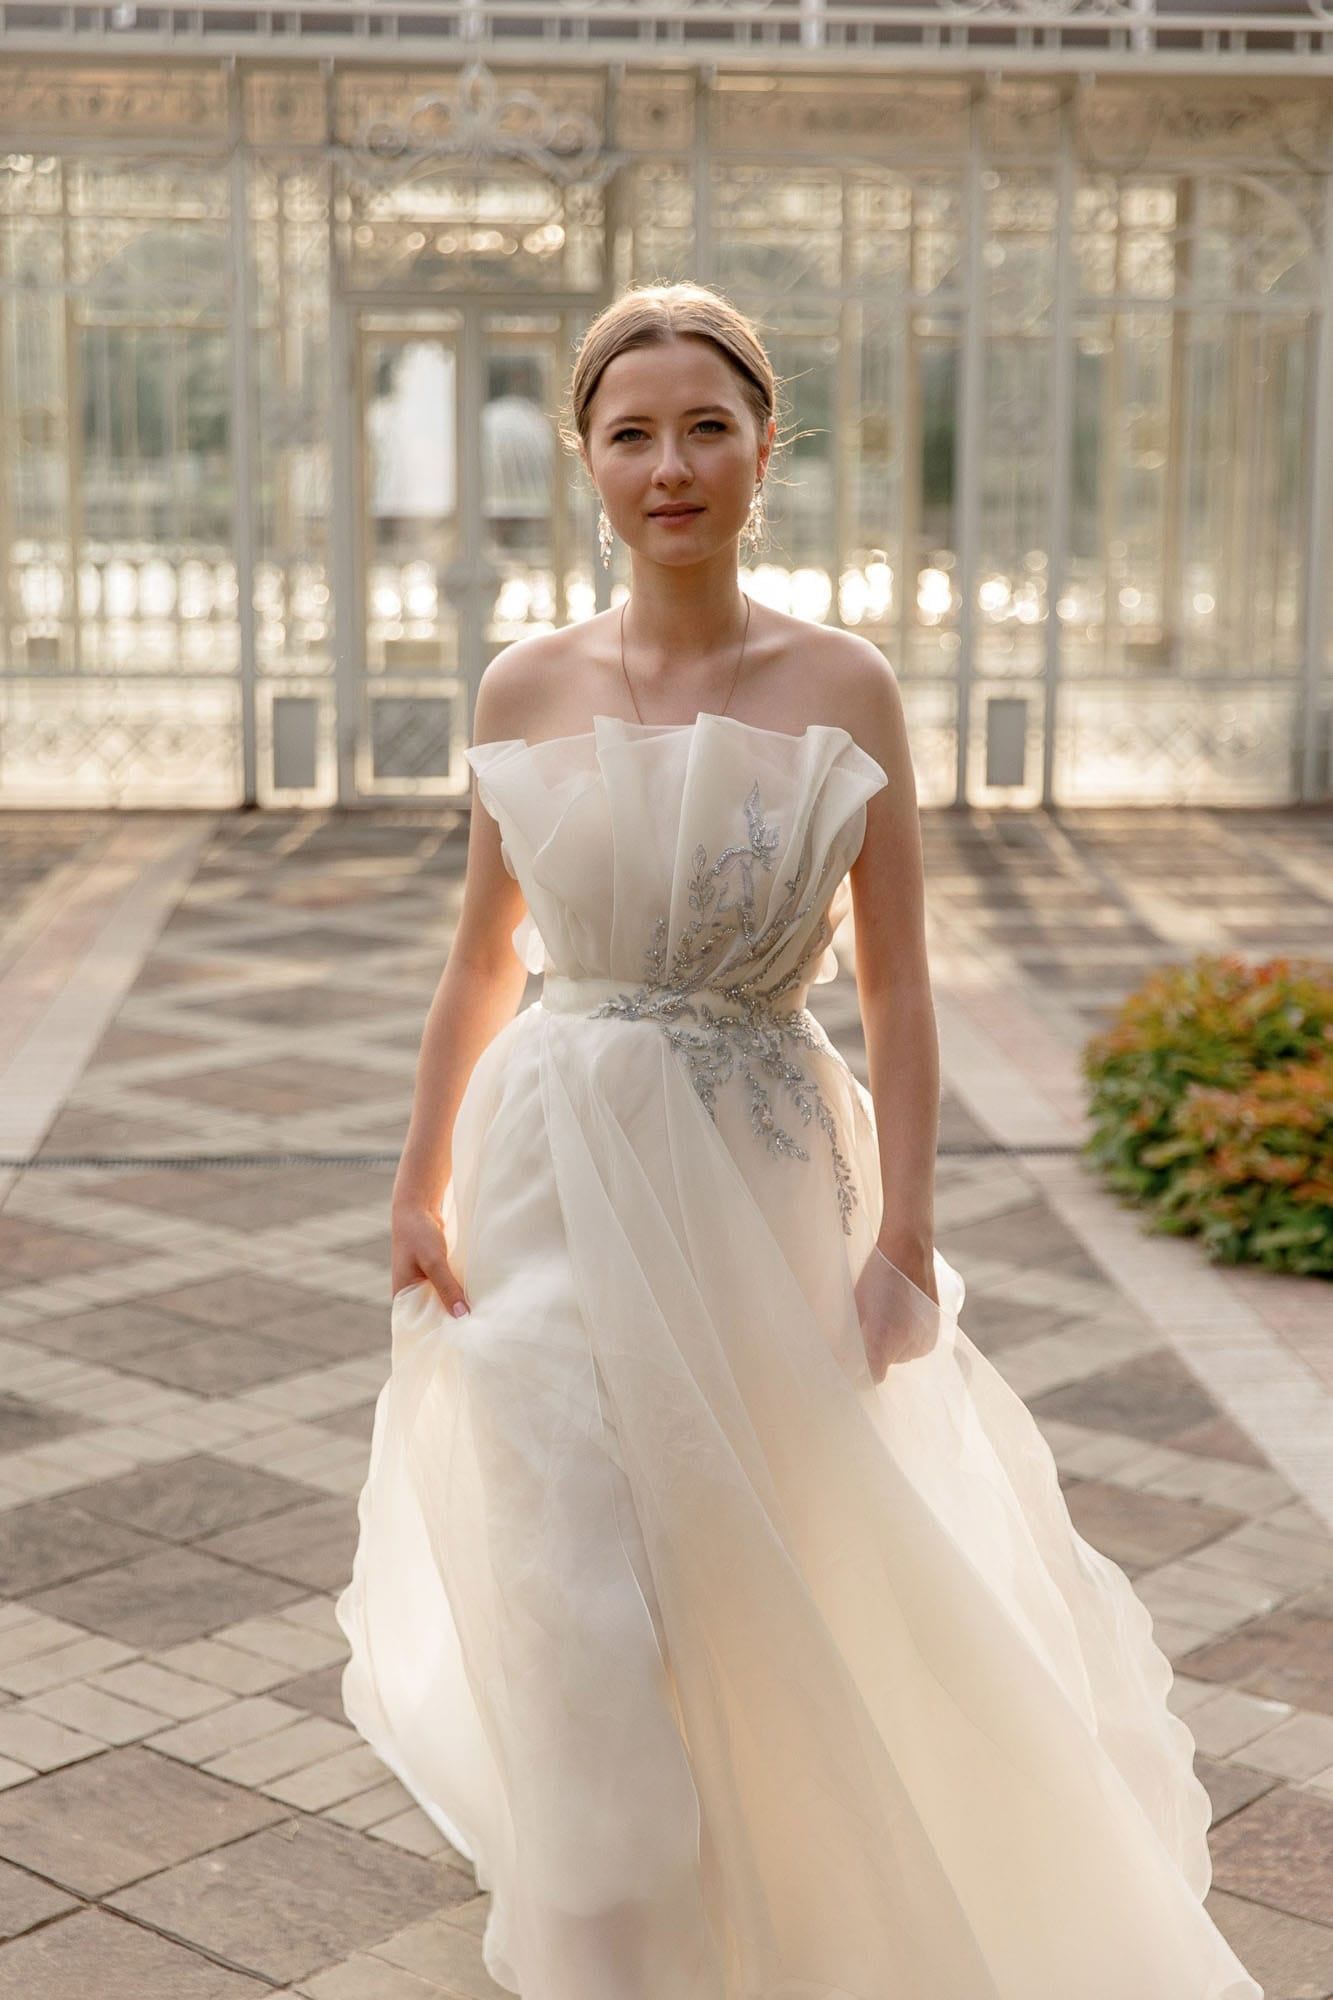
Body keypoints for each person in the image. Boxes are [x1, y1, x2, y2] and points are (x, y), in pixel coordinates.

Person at [336, 282, 1264, 2000]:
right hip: (545, 1158)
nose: (669, 465)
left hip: (761, 1178)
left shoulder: (844, 682)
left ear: (765, 447)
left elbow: (904, 991)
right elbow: (480, 958)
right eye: (630, 435)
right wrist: (417, 1179)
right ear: (587, 464)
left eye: (705, 427)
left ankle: (793, 1892)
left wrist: (904, 1235)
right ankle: (604, 1939)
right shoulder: (525, 682)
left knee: (757, 1550)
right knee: (570, 1569)